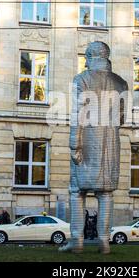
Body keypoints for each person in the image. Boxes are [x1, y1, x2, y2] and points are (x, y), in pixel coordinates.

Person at [59, 41, 128, 254]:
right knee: (105, 194)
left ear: (90, 56)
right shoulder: (120, 83)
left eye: (86, 56)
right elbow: (122, 118)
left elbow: (77, 114)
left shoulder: (82, 79)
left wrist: (74, 144)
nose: (85, 61)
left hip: (86, 140)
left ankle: (77, 240)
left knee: (76, 191)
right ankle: (104, 241)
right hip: (110, 143)